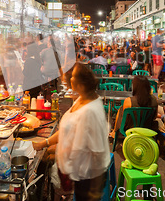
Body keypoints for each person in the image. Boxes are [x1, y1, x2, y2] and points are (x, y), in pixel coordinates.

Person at [33, 63, 110, 200]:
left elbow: (96, 151)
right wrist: (43, 144)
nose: (69, 79)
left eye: (73, 76)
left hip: (87, 178)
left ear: (82, 83)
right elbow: (65, 129)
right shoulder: (80, 100)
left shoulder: (91, 111)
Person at [110, 76, 159, 148]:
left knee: (121, 110)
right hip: (147, 127)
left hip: (131, 128)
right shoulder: (154, 100)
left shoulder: (129, 101)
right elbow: (154, 117)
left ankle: (115, 131)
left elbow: (124, 118)